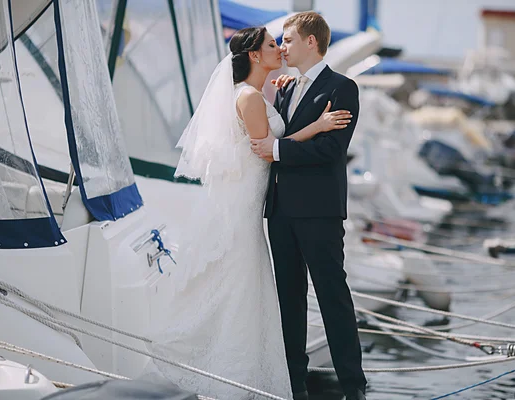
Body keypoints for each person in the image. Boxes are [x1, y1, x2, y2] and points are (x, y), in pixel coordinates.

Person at [144, 26, 352, 399]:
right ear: (255, 55)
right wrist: (317, 125)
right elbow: (264, 147)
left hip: (264, 205)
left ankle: (262, 372)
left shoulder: (267, 91)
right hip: (253, 206)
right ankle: (235, 370)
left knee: (250, 289)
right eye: (274, 44)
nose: (280, 49)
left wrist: (290, 93)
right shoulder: (250, 98)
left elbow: (275, 136)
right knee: (244, 286)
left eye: (284, 41)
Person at [250, 12, 367, 400]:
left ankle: (354, 388)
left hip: (319, 210)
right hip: (281, 211)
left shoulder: (343, 87)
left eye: (287, 40)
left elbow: (331, 149)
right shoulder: (283, 88)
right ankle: (294, 386)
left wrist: (279, 150)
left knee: (333, 296)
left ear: (311, 42)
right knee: (289, 301)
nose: (282, 47)